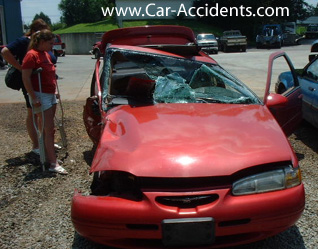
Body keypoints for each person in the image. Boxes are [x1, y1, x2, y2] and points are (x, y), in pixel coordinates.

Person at [1, 19, 56, 155]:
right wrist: (20, 68)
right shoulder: (25, 42)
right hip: (33, 83)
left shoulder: (42, 47)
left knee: (42, 115)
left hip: (45, 84)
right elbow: (5, 51)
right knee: (33, 113)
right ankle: (37, 145)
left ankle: (45, 141)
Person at [22, 29, 67, 175]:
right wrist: (33, 97)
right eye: (50, 42)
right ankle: (52, 162)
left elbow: (51, 73)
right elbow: (26, 77)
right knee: (49, 129)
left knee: (47, 128)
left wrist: (54, 90)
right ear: (41, 42)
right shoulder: (31, 55)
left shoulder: (46, 54)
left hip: (49, 93)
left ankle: (47, 154)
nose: (52, 45)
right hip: (40, 95)